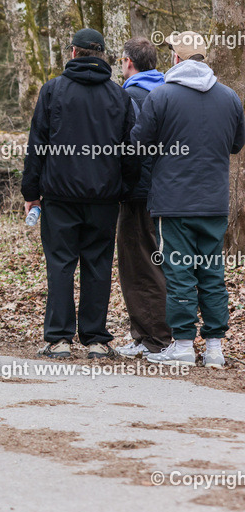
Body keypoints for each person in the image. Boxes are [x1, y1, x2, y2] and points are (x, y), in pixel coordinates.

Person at [21, 28, 139, 360]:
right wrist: (125, 189)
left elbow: (37, 146)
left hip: (59, 195)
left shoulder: (53, 91)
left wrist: (31, 192)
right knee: (98, 264)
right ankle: (96, 340)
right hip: (104, 197)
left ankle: (59, 340)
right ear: (102, 56)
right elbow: (132, 151)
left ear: (73, 53)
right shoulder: (119, 96)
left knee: (60, 264)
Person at [132, 31, 245, 368]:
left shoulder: (161, 95)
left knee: (179, 271)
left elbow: (139, 144)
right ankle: (214, 349)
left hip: (173, 201)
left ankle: (181, 345)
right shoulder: (230, 98)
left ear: (175, 58)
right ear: (203, 57)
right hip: (213, 202)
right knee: (212, 271)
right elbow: (236, 145)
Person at [114, 37, 171, 358]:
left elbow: (130, 149)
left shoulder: (130, 95)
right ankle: (143, 334)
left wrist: (124, 186)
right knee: (151, 261)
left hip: (139, 194)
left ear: (128, 62)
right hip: (165, 190)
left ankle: (155, 338)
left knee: (140, 265)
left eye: (122, 61)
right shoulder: (165, 91)